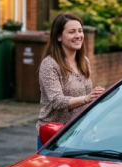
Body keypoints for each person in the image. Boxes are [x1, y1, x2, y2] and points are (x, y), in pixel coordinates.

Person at [36, 12, 105, 149]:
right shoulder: (50, 64)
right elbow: (57, 101)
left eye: (80, 31)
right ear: (59, 37)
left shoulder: (84, 61)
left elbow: (87, 97)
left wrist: (97, 96)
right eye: (72, 32)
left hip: (80, 135)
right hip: (54, 137)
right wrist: (86, 98)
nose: (78, 35)